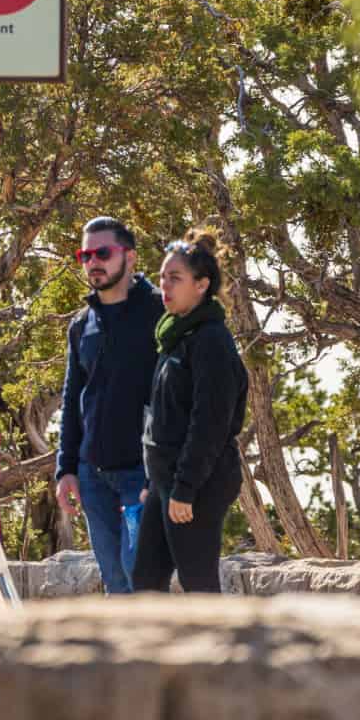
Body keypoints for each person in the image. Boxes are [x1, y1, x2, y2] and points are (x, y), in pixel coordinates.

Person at [133, 229, 250, 595]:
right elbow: (163, 417)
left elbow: (209, 425)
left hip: (198, 481)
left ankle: (226, 652)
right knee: (146, 581)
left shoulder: (211, 341)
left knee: (197, 582)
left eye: (175, 278)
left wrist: (185, 488)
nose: (164, 286)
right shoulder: (174, 337)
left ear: (201, 285)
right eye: (163, 277)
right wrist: (154, 482)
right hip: (166, 480)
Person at [55, 216, 163, 594]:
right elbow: (73, 399)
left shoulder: (160, 312)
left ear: (129, 257)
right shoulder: (81, 324)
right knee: (116, 582)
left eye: (102, 252)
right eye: (85, 255)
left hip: (143, 474)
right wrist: (65, 468)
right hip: (93, 475)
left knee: (143, 578)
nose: (92, 262)